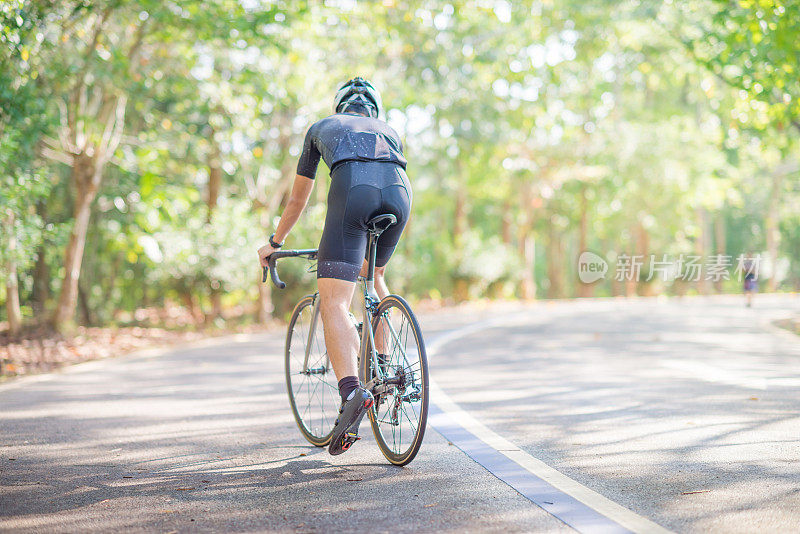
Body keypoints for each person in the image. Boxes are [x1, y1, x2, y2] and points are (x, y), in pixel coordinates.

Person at [257, 77, 411, 455]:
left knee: (335, 302)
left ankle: (352, 392)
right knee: (373, 276)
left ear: (340, 106)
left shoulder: (321, 128)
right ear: (373, 110)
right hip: (400, 195)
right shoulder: (389, 130)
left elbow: (297, 201)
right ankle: (385, 372)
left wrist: (274, 244)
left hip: (352, 191)